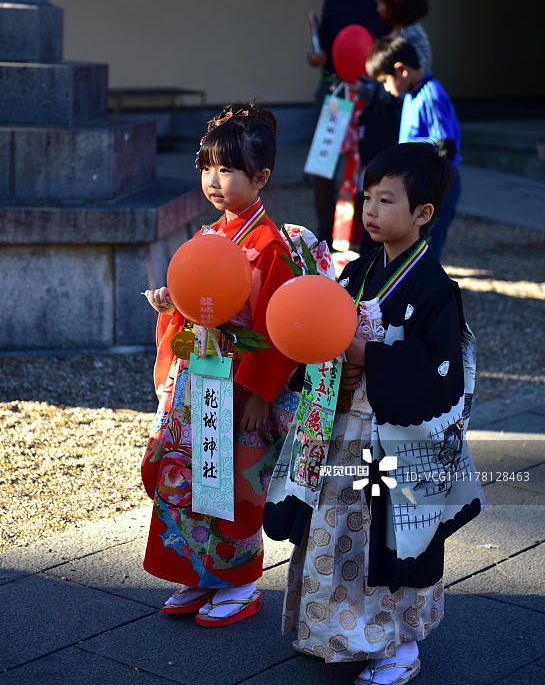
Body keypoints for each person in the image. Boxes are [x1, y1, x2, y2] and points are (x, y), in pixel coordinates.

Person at [279, 142, 483, 684]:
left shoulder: (437, 290)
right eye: (367, 198)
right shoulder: (359, 272)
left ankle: (398, 647)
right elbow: (326, 336)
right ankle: (337, 632)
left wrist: (367, 356)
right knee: (339, 528)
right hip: (348, 426)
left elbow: (438, 369)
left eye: (386, 200)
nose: (370, 210)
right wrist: (335, 366)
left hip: (400, 438)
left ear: (423, 214)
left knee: (393, 541)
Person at [141, 102, 300, 627]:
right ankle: (199, 573)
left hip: (240, 380)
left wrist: (259, 393)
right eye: (208, 166)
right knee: (192, 472)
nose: (214, 180)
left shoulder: (270, 246)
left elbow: (278, 328)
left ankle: (242, 580)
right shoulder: (209, 237)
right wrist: (173, 307)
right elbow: (196, 305)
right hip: (202, 379)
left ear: (262, 178)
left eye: (228, 169)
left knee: (235, 480)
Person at [308, 0, 389, 248]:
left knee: (370, 165)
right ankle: (324, 237)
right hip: (334, 92)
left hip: (371, 95)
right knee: (323, 165)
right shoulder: (334, 1)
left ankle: (366, 237)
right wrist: (315, 56)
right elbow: (325, 49)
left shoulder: (380, 3)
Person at [356, 0, 432, 255]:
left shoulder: (415, 38)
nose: (376, 8)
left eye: (380, 1)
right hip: (381, 131)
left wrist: (364, 88)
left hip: (394, 132)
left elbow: (406, 89)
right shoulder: (396, 32)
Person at [365, 36, 461, 260]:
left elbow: (445, 148)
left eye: (386, 81)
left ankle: (425, 291)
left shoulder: (431, 95)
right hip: (412, 184)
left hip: (433, 186)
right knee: (408, 243)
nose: (386, 88)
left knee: (428, 245)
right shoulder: (412, 95)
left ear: (401, 71)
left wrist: (431, 190)